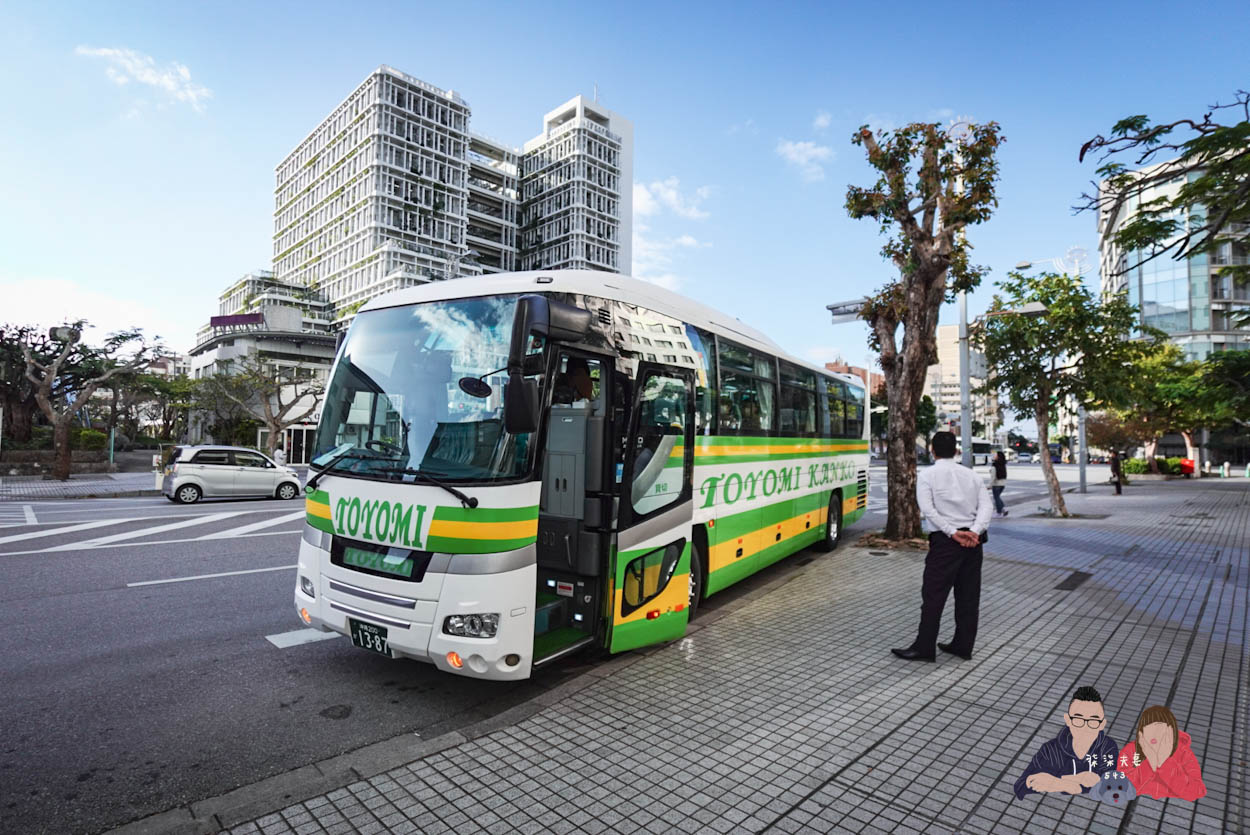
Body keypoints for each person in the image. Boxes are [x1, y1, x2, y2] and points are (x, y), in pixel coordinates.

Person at [891, 431, 992, 662]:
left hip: (946, 544)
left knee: (934, 596)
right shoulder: (972, 476)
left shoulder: (928, 475)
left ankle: (924, 648)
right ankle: (962, 645)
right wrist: (974, 531)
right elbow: (987, 507)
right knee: (968, 596)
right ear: (956, 451)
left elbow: (928, 510)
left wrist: (952, 533)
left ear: (932, 450)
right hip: (973, 544)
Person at [1014, 685, 1120, 799]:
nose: (1085, 728)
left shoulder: (1107, 748)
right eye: (1078, 720)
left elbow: (1112, 786)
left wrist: (1060, 782)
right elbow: (1021, 786)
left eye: (1093, 721)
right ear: (1068, 720)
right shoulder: (1050, 750)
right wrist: (1067, 784)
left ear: (1102, 724)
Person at [1118, 705, 1206, 801]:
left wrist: (1165, 762)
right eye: (1149, 729)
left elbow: (1197, 791)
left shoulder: (1183, 753)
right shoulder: (1130, 751)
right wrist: (1149, 762)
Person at [990, 450, 1008, 517]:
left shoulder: (994, 465)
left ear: (998, 457)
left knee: (996, 498)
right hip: (1002, 484)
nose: (994, 456)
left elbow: (993, 477)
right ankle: (1003, 509)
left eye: (995, 455)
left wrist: (990, 485)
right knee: (997, 498)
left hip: (996, 484)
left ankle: (999, 512)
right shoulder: (1003, 464)